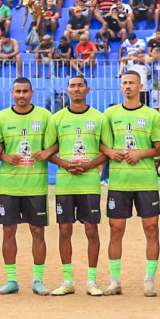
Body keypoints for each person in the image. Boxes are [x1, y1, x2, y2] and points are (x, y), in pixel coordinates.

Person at [100, 71, 160, 297]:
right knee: (115, 230)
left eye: (132, 83)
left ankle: (149, 280)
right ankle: (115, 281)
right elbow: (100, 143)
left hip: (145, 182)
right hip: (119, 183)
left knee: (151, 229)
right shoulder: (110, 114)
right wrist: (110, 151)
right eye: (124, 83)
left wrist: (141, 154)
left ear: (141, 86)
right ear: (121, 87)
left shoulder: (152, 115)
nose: (127, 86)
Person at [0, 78, 55, 296]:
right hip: (10, 185)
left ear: (32, 93)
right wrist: (4, 156)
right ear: (12, 93)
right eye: (18, 91)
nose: (22, 95)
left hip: (36, 185)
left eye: (25, 91)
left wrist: (48, 152)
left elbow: (56, 142)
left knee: (37, 231)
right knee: (9, 231)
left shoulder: (45, 116)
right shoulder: (2, 118)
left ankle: (38, 279)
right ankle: (11, 280)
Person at [46, 76, 110, 297]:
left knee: (91, 230)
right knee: (65, 230)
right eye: (72, 86)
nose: (76, 89)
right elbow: (48, 151)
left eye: (80, 86)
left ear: (87, 89)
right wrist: (64, 164)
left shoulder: (99, 118)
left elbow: (107, 151)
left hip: (90, 183)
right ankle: (67, 280)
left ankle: (92, 281)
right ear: (68, 90)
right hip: (65, 183)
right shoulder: (57, 118)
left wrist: (90, 164)